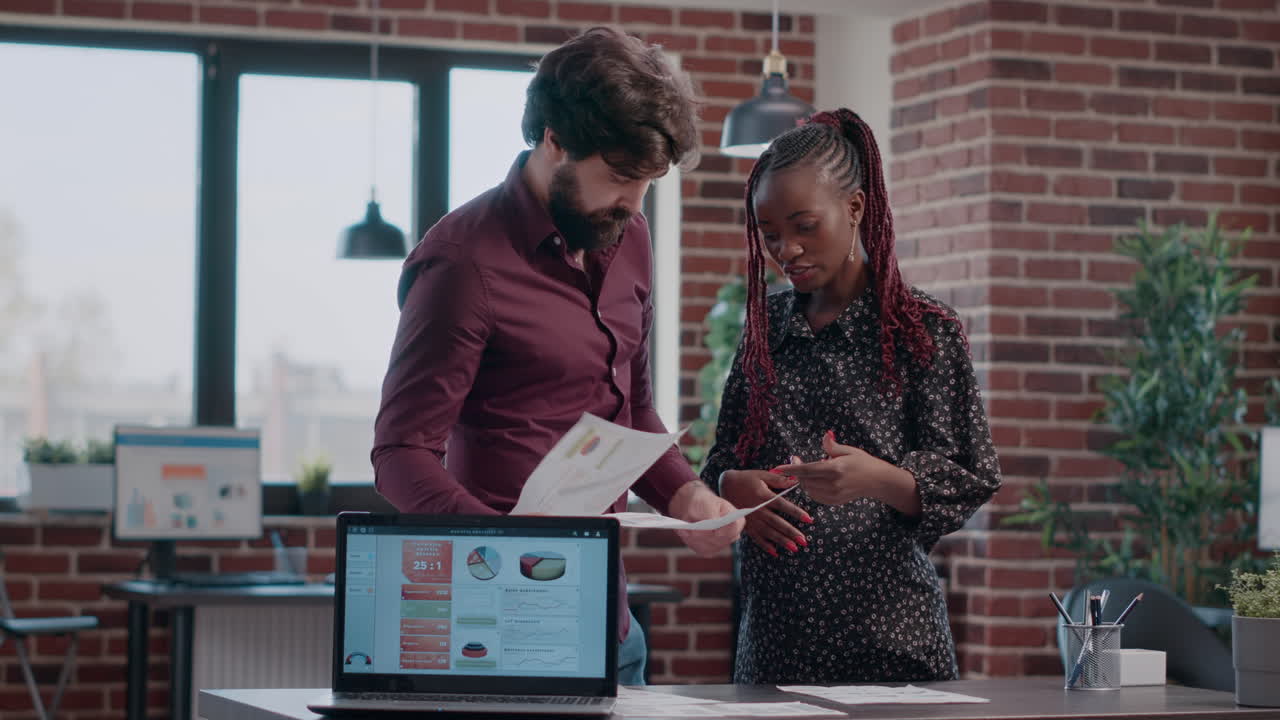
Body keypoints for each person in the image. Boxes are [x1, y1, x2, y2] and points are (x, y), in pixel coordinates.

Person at [371, 27, 744, 687]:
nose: (634, 203)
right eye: (622, 178)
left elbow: (632, 409)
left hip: (609, 622)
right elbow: (401, 455)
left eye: (649, 183)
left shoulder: (628, 237)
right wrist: (503, 545)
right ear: (553, 140)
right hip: (498, 627)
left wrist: (686, 495)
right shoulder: (462, 262)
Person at [702, 108, 1002, 684]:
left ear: (856, 209)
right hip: (774, 648)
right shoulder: (765, 327)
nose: (785, 250)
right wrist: (730, 486)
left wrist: (878, 478)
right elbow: (723, 461)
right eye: (770, 236)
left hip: (894, 645)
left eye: (804, 226)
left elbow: (971, 476)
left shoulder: (924, 329)